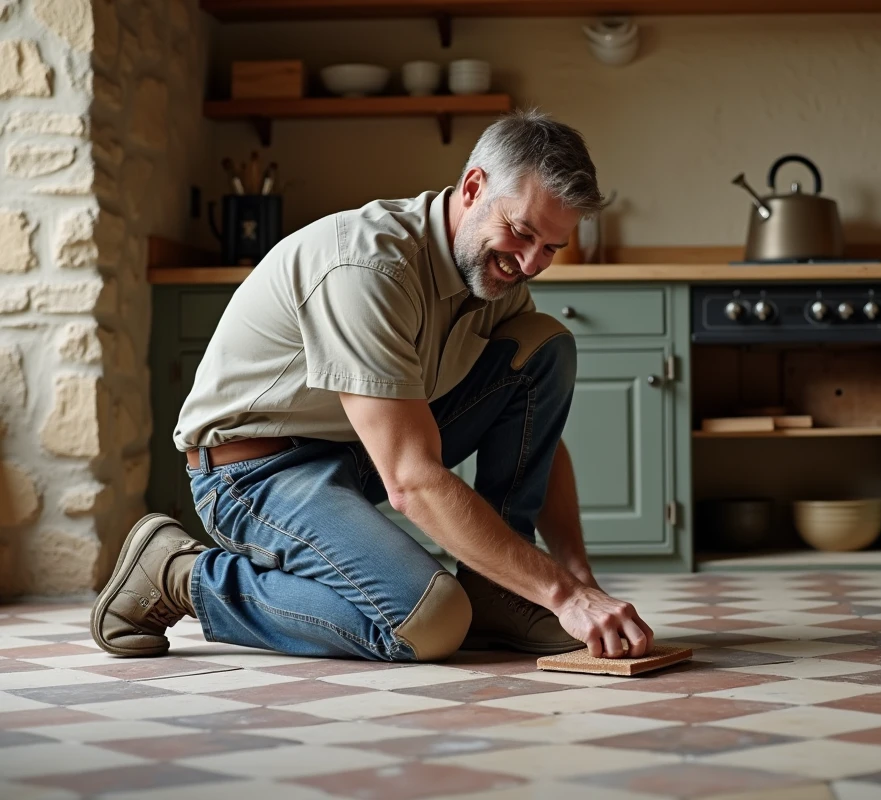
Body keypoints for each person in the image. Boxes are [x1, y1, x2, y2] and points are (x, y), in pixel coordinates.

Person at [90, 109, 655, 663]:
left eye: (551, 249)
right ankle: (177, 573)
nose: (530, 263)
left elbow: (537, 432)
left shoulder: (494, 275)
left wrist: (579, 578)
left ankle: (501, 592)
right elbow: (411, 480)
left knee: (544, 345)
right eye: (521, 232)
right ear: (473, 186)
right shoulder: (368, 267)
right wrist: (564, 596)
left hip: (357, 456)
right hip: (255, 474)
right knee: (430, 623)